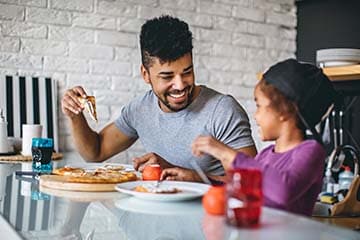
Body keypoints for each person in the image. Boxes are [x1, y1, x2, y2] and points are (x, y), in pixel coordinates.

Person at [61, 15, 257, 182]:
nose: (180, 85)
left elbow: (254, 180)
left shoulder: (223, 110)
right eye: (167, 76)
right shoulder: (140, 110)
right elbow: (94, 153)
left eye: (187, 72)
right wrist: (75, 115)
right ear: (145, 74)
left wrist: (193, 177)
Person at [192, 59, 337, 215]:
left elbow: (283, 190)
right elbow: (242, 186)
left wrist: (226, 152)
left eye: (259, 106)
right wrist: (194, 178)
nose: (255, 116)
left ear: (284, 110)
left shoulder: (311, 151)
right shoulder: (266, 154)